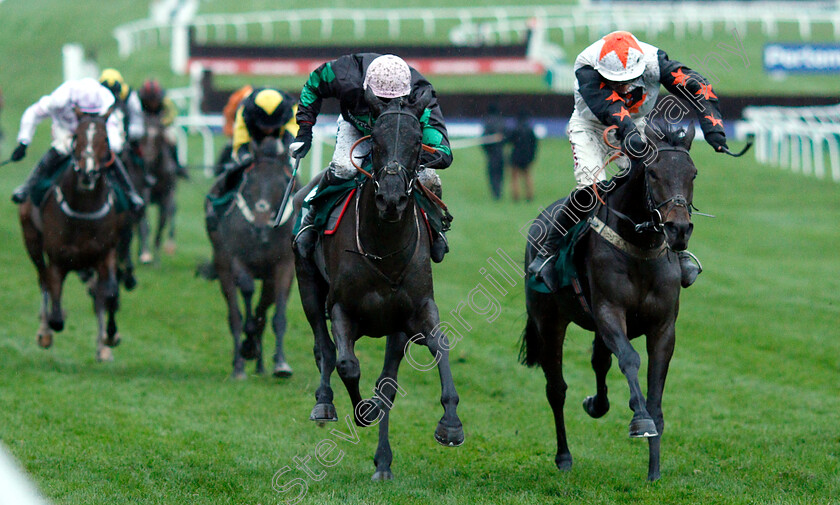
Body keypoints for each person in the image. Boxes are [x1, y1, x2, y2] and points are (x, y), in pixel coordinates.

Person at [528, 30, 728, 292]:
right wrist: (630, 135)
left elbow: (699, 87)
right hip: (589, 126)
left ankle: (677, 254)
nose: (623, 87)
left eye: (628, 81)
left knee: (657, 181)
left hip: (634, 123)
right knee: (591, 190)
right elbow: (612, 109)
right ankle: (548, 251)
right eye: (614, 82)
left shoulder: (655, 61)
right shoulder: (586, 65)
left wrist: (713, 127)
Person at [290, 53, 453, 263]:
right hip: (357, 128)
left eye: (393, 101)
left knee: (429, 179)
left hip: (399, 137)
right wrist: (304, 130)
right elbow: (313, 84)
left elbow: (443, 153)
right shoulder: (343, 74)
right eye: (381, 100)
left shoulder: (421, 95)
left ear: (406, 94)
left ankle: (435, 227)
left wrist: (406, 156)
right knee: (344, 168)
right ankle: (311, 220)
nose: (385, 106)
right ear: (366, 88)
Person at [9, 77, 144, 211]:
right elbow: (32, 113)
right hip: (65, 130)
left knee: (108, 152)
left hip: (93, 132)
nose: (88, 116)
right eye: (84, 113)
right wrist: (24, 142)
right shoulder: (58, 100)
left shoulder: (104, 100)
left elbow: (112, 127)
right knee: (60, 148)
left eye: (93, 113)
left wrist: (113, 144)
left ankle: (130, 192)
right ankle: (27, 187)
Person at [205, 87, 298, 232]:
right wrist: (245, 157)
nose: (267, 130)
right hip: (253, 144)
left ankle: (304, 216)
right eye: (264, 126)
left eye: (271, 126)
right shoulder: (245, 110)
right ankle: (214, 209)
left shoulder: (291, 109)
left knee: (293, 177)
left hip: (278, 147)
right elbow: (240, 143)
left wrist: (285, 150)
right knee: (232, 173)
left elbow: (292, 138)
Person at [99, 68, 151, 185]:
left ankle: (144, 174)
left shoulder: (129, 96)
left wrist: (127, 134)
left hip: (126, 133)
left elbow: (137, 119)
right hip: (101, 133)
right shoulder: (95, 97)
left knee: (138, 150)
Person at [137, 79, 189, 179]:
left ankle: (177, 164)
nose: (152, 103)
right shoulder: (139, 101)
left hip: (160, 125)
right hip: (144, 124)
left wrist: (163, 123)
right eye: (150, 99)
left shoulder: (165, 101)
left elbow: (171, 114)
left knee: (171, 138)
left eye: (154, 100)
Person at [214, 84, 254, 175]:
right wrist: (233, 133)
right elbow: (229, 116)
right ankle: (219, 169)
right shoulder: (236, 100)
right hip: (239, 128)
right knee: (230, 145)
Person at [506, 110, 538, 202]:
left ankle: (516, 196)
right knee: (527, 176)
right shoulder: (530, 130)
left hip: (516, 156)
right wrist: (532, 156)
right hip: (527, 157)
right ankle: (529, 195)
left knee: (514, 177)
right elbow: (534, 145)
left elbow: (508, 140)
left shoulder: (515, 129)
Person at [481, 103, 506, 200]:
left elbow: (484, 140)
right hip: (500, 152)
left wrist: (487, 151)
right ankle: (498, 191)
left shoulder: (488, 122)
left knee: (493, 174)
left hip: (492, 154)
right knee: (500, 173)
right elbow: (506, 137)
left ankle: (496, 193)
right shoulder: (501, 121)